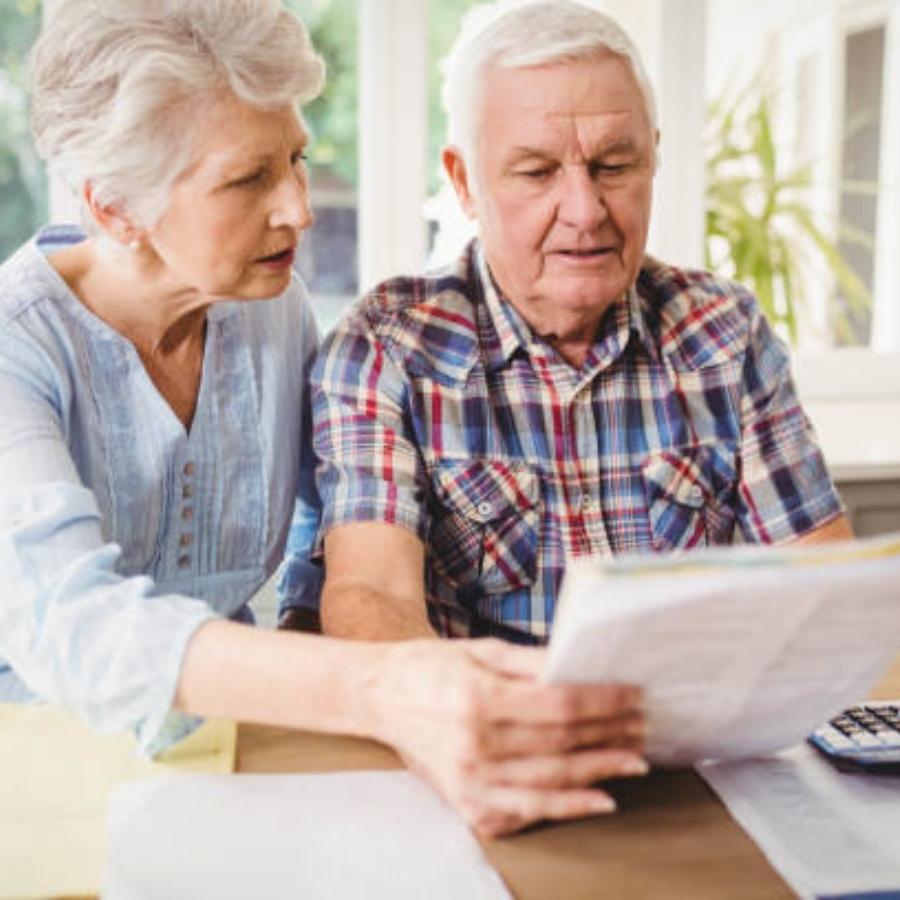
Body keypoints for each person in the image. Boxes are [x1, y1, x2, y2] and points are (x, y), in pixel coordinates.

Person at [0, 0, 649, 838]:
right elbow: (71, 626)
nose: (299, 209)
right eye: (248, 180)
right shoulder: (16, 349)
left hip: (227, 757)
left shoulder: (270, 308)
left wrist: (317, 638)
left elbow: (323, 518)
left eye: (296, 159)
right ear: (117, 209)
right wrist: (378, 687)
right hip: (30, 769)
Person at [301, 0, 853, 646]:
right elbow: (372, 598)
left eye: (613, 166)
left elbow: (822, 587)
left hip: (687, 708)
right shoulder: (387, 348)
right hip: (486, 709)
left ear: (653, 158)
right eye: (537, 172)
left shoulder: (723, 333)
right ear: (465, 182)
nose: (586, 211)